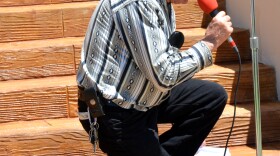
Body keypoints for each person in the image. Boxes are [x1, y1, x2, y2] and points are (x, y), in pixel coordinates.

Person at [76, 0, 232, 155]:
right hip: (114, 111)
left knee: (211, 97)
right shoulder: (136, 3)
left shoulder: (163, 3)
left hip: (145, 98)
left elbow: (164, 63)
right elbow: (164, 75)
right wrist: (211, 41)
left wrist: (194, 135)